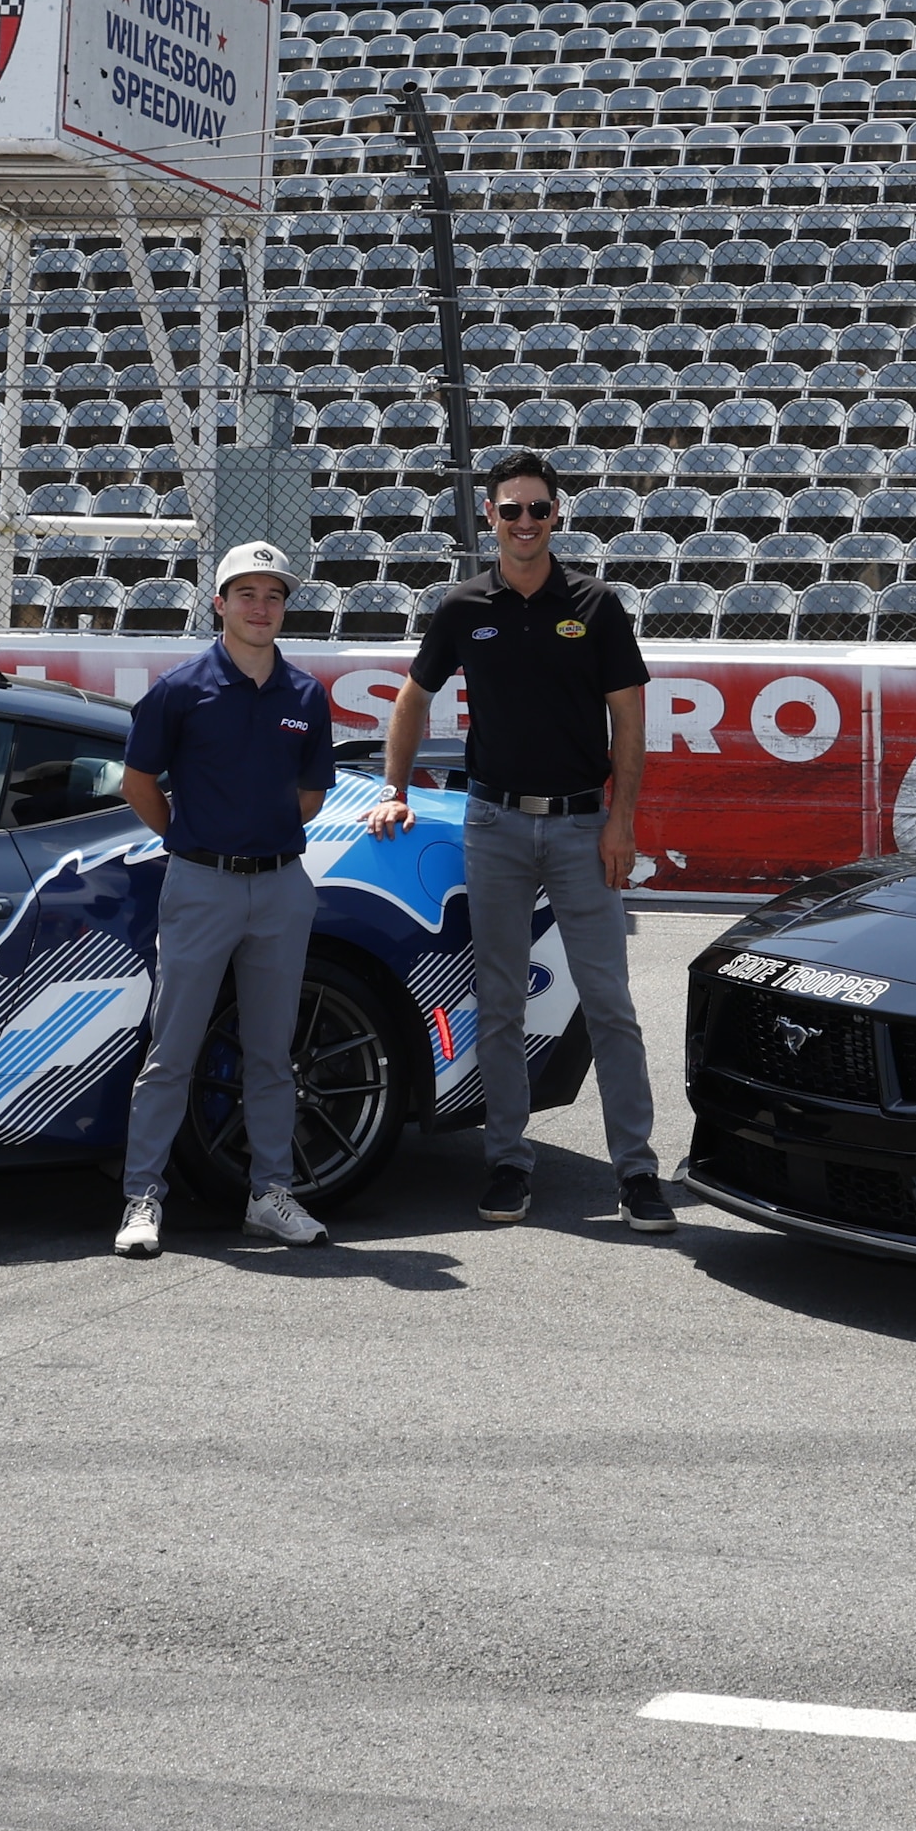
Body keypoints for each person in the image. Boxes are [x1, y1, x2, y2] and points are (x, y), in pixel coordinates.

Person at [363, 447, 663, 1231]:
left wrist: (621, 821)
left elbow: (628, 721)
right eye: (510, 509)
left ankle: (636, 1172)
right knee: (497, 1002)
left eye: (538, 508)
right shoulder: (463, 605)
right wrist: (393, 789)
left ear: (557, 515)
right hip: (491, 823)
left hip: (578, 826)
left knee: (609, 1004)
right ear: (490, 517)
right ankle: (506, 1161)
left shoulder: (597, 605)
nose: (524, 521)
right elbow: (411, 697)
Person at [111, 540, 341, 1261]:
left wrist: (257, 841)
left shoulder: (305, 695)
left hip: (280, 886)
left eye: (273, 595)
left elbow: (309, 796)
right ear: (219, 602)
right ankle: (142, 1196)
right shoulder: (180, 688)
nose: (260, 607)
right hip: (199, 882)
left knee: (273, 1055)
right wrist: (195, 840)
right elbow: (139, 783)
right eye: (247, 593)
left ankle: (269, 1194)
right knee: (172, 1049)